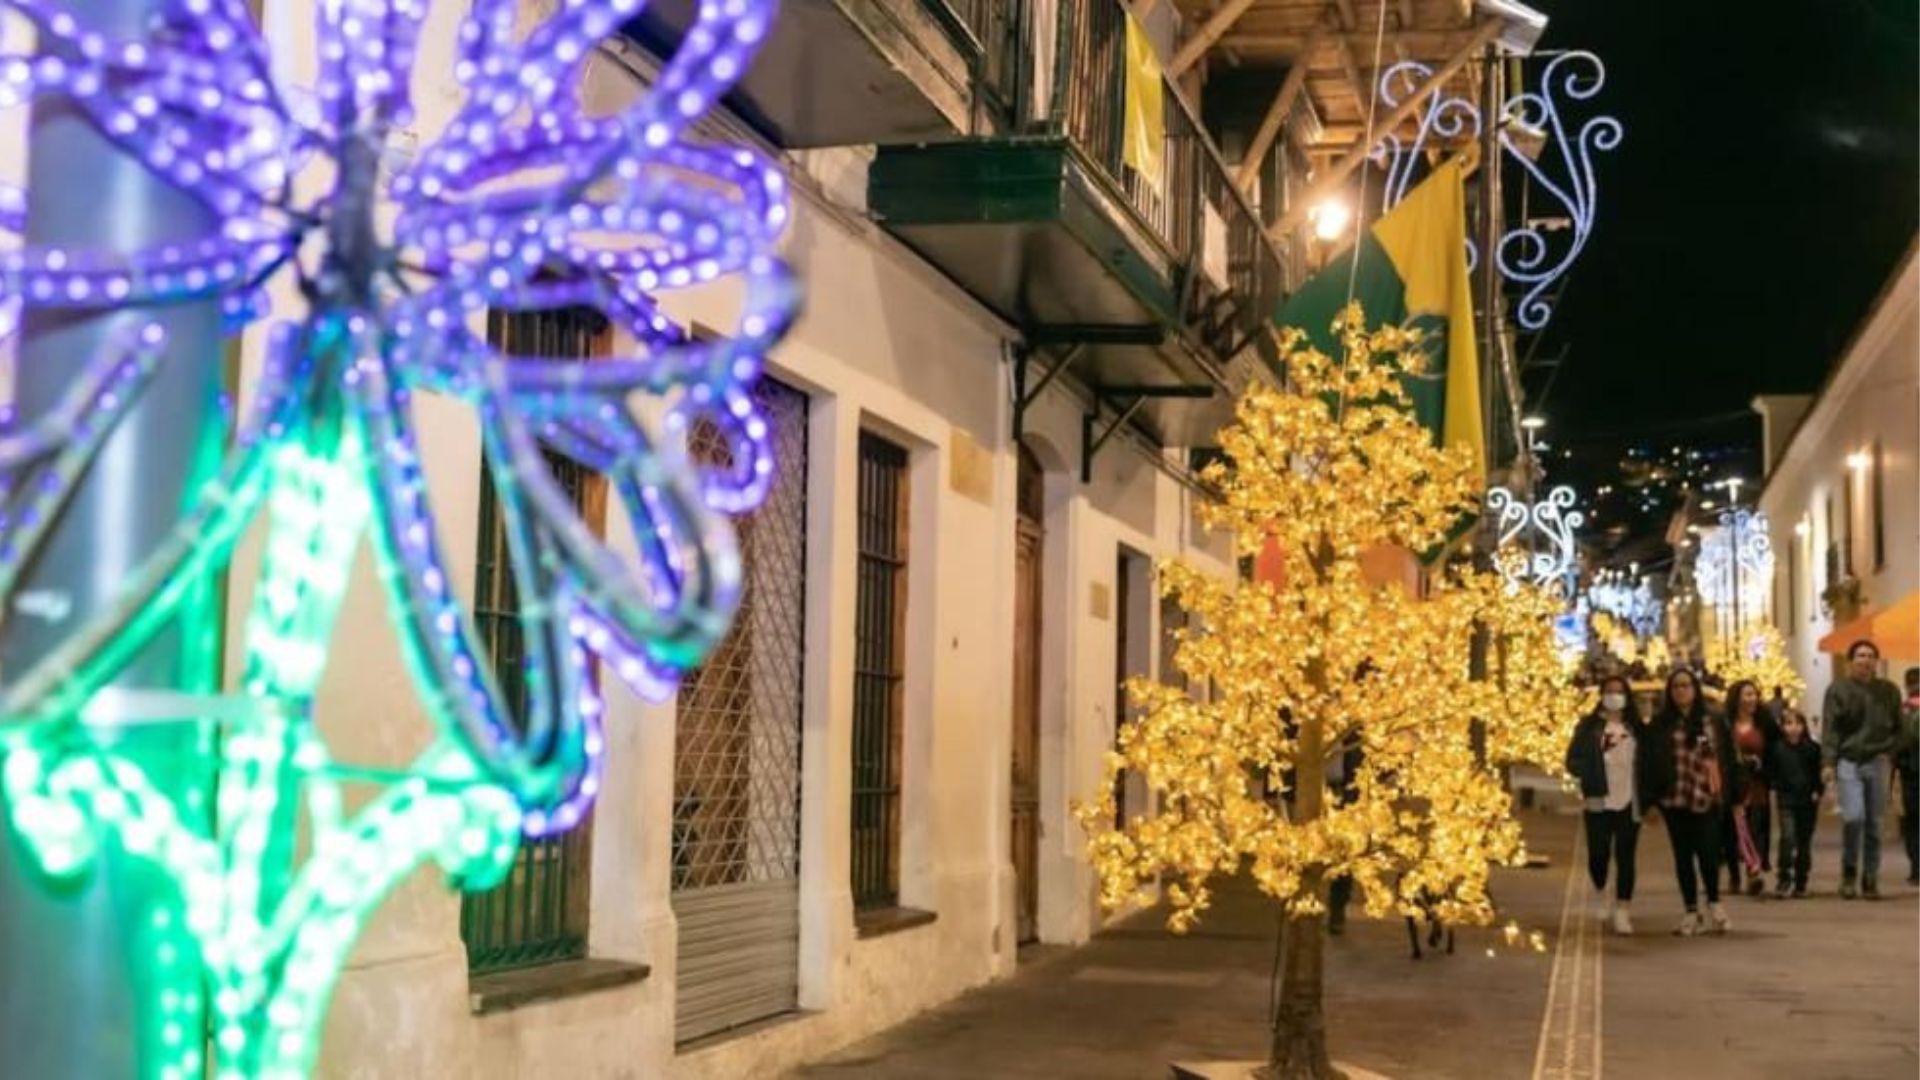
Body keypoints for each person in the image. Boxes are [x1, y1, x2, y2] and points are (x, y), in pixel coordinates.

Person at [1645, 668, 1737, 935]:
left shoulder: (1711, 721)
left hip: (1705, 798)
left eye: (1686, 686)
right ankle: (1690, 911)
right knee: (1683, 858)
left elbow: (1724, 758)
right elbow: (1651, 763)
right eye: (1676, 687)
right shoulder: (1662, 725)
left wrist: (1729, 792)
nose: (1681, 691)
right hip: (1675, 799)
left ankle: (1715, 904)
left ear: (1695, 689)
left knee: (1709, 855)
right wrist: (1651, 800)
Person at [1821, 640, 1904, 899]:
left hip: (1877, 761)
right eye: (1860, 655)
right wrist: (1828, 762)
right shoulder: (1838, 690)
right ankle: (1849, 871)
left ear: (1876, 661)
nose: (1865, 660)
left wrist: (1890, 751)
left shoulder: (1888, 691)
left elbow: (1899, 728)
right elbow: (1831, 728)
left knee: (1875, 823)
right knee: (1853, 817)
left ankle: (1870, 876)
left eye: (1870, 656)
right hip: (1849, 760)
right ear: (1850, 661)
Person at [1564, 674, 1646, 934]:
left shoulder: (1636, 727)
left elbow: (1649, 760)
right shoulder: (1589, 727)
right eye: (1609, 691)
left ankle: (1623, 909)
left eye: (1619, 691)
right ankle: (1600, 891)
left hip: (1629, 801)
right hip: (1598, 799)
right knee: (1598, 854)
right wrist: (1587, 771)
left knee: (1625, 856)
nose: (1614, 696)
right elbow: (1572, 760)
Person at [1722, 680, 1778, 896]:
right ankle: (1734, 873)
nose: (1751, 699)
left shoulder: (1764, 723)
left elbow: (1775, 749)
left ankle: (1753, 872)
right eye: (1746, 695)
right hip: (1732, 785)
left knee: (1755, 829)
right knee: (1731, 830)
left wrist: (1764, 766)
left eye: (1754, 694)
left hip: (1756, 784)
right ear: (1736, 698)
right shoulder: (1726, 723)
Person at [1768, 707, 1824, 898]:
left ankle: (1801, 880)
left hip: (1808, 800)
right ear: (1782, 727)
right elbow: (1772, 771)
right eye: (1788, 723)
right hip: (1787, 800)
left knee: (1804, 842)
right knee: (1787, 837)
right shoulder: (1777, 749)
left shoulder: (1812, 749)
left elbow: (1818, 774)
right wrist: (1775, 786)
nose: (1793, 728)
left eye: (1797, 723)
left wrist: (1818, 790)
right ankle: (1784, 877)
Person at [1898, 668, 1920, 886]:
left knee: (1913, 820)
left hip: (1910, 770)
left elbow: (1899, 741)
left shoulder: (1904, 710)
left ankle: (1916, 868)